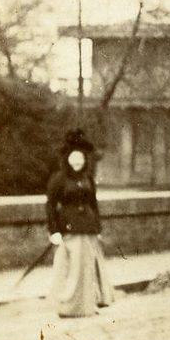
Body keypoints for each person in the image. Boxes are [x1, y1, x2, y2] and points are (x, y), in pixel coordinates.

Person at [45, 129, 114, 317]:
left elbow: (93, 204)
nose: (77, 161)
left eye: (80, 158)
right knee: (73, 269)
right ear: (67, 158)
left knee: (90, 268)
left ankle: (89, 305)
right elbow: (50, 205)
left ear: (85, 159)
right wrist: (54, 230)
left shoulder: (88, 178)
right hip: (70, 230)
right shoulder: (59, 179)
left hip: (88, 229)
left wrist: (97, 227)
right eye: (74, 157)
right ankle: (70, 307)